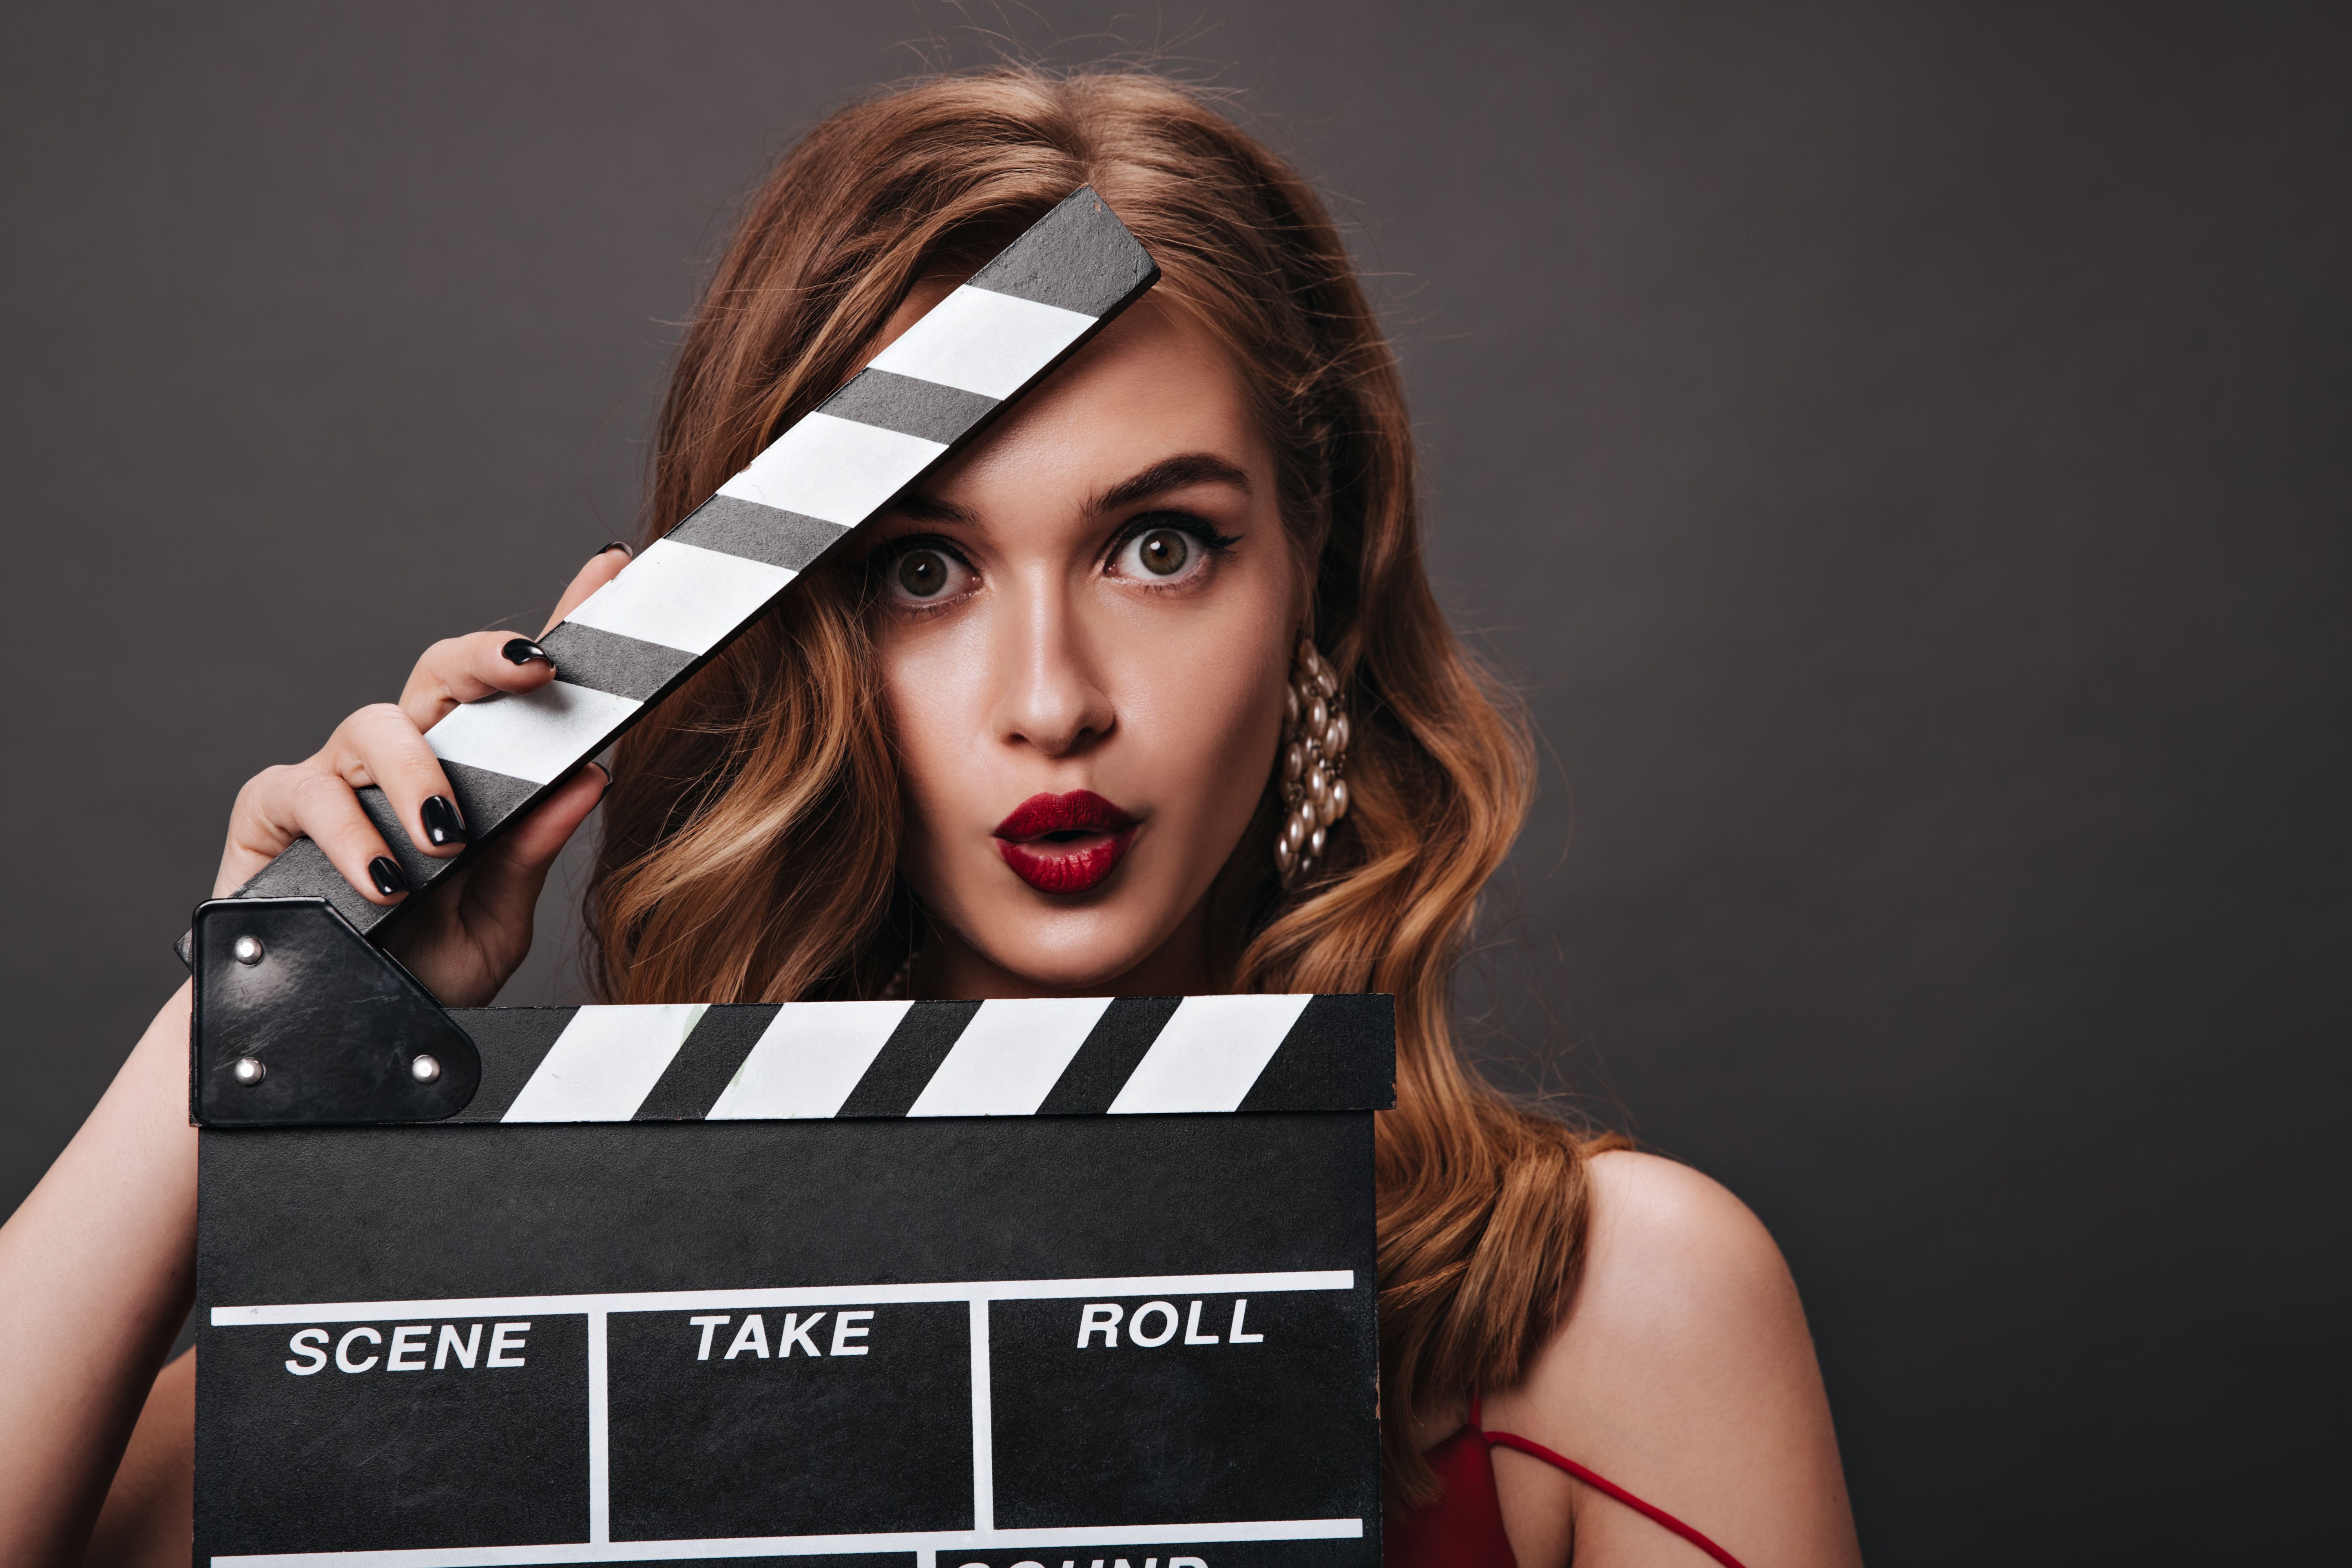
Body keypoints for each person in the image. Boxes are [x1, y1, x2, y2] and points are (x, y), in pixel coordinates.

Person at [0, 68, 1863, 1568]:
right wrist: (240, 1017)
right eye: (918, 568)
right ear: (774, 626)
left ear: (1319, 583)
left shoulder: (1603, 1307)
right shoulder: (524, 1314)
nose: (1050, 696)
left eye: (1161, 545)